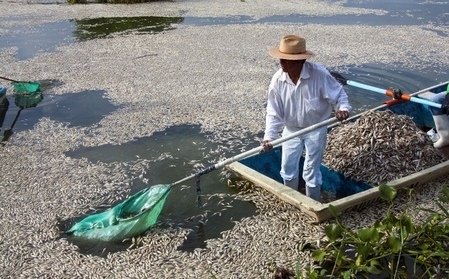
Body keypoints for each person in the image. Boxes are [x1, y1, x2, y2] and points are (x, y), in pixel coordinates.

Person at [260, 34, 351, 201]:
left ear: (299, 62)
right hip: (291, 129)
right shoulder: (277, 80)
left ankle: (313, 202)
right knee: (287, 167)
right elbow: (274, 113)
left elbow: (339, 95)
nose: (281, 64)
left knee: (311, 170)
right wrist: (269, 138)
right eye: (281, 59)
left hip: (316, 128)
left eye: (285, 60)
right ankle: (292, 201)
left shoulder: (319, 74)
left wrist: (342, 109)